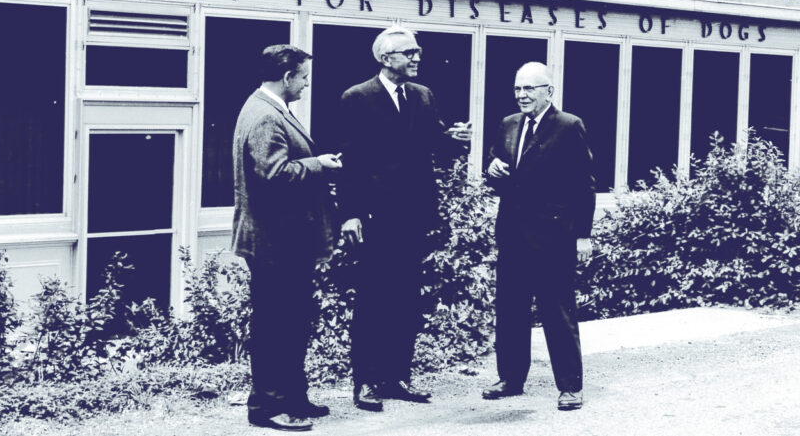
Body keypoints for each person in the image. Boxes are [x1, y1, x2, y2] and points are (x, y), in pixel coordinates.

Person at [337, 25, 470, 412]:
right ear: (385, 58)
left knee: (405, 299)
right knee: (373, 299)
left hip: (413, 216)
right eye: (409, 52)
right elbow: (349, 160)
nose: (417, 58)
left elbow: (430, 142)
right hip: (376, 218)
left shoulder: (423, 96)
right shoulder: (356, 98)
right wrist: (350, 214)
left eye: (418, 51)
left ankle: (397, 377)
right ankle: (365, 383)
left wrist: (454, 139)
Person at [232, 44, 343, 431]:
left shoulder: (267, 108)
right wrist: (319, 165)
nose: (307, 84)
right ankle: (268, 407)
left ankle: (293, 396)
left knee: (291, 321)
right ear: (287, 77)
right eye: (304, 76)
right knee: (276, 325)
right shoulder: (265, 117)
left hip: (283, 238)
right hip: (275, 240)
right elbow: (274, 175)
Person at [482, 61, 596, 411]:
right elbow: (497, 171)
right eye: (517, 89)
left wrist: (583, 236)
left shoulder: (568, 125)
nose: (521, 95)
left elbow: (584, 184)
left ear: (549, 91)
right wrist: (491, 169)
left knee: (557, 312)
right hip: (513, 236)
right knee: (511, 310)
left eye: (529, 88)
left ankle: (570, 386)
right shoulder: (508, 124)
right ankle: (511, 379)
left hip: (554, 237)